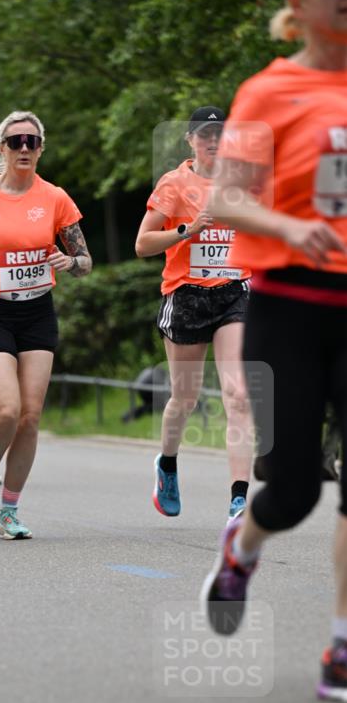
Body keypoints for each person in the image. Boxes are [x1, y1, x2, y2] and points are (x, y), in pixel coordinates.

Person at [200, 0, 347, 703]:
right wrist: (289, 229)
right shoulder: (269, 89)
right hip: (288, 304)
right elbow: (224, 198)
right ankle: (241, 547)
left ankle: (340, 650)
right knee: (292, 488)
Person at [0, 110, 92, 539]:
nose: (24, 148)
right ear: (2, 149)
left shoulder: (56, 198)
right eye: (15, 142)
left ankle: (10, 509)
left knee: (29, 417)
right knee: (5, 410)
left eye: (32, 141)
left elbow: (85, 261)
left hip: (37, 313)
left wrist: (70, 261)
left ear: (41, 148)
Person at [135, 106, 254, 522]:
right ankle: (167, 463)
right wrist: (188, 230)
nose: (212, 139)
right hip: (186, 296)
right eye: (204, 133)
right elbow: (143, 244)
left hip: (233, 293)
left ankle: (239, 499)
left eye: (220, 133)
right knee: (184, 399)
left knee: (238, 395)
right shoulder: (174, 184)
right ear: (190, 140)